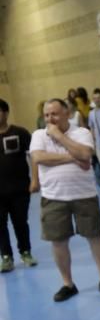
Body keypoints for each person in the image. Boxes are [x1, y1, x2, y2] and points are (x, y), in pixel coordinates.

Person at [30, 99, 100, 300]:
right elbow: (39, 158)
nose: (50, 119)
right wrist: (72, 158)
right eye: (46, 115)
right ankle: (68, 284)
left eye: (54, 114)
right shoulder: (38, 135)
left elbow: (85, 153)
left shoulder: (81, 133)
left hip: (84, 195)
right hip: (53, 197)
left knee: (95, 236)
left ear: (67, 113)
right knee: (58, 241)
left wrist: (59, 137)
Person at [0, 98, 37, 272]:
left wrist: (36, 180)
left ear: (5, 113)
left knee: (20, 222)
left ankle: (25, 252)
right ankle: (6, 257)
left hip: (20, 188)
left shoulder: (20, 132)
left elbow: (33, 156)